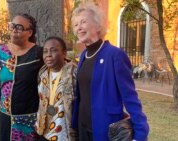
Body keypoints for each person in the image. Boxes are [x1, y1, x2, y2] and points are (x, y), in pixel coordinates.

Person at [71, 1, 149, 141]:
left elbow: (129, 96)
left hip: (104, 128)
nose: (79, 28)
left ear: (97, 24)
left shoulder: (115, 55)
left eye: (83, 22)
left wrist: (140, 133)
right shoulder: (83, 55)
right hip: (82, 127)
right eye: (76, 25)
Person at [0, 13, 43, 141]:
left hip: (29, 118)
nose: (14, 30)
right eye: (12, 26)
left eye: (19, 27)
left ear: (29, 32)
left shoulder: (39, 53)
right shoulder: (1, 51)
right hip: (5, 116)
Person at [36, 37, 77, 141]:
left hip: (64, 134)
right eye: (45, 51)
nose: (48, 54)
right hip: (44, 132)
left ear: (64, 53)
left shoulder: (74, 74)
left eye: (53, 50)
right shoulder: (43, 73)